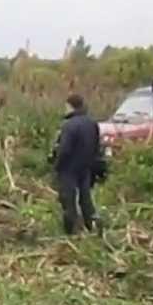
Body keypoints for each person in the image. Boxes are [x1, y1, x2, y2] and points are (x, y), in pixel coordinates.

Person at [53, 93, 102, 235]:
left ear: (70, 106)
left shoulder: (69, 125)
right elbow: (97, 147)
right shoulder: (92, 123)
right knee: (85, 198)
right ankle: (92, 224)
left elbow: (64, 149)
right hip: (86, 167)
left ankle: (71, 231)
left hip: (69, 168)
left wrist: (57, 165)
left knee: (68, 200)